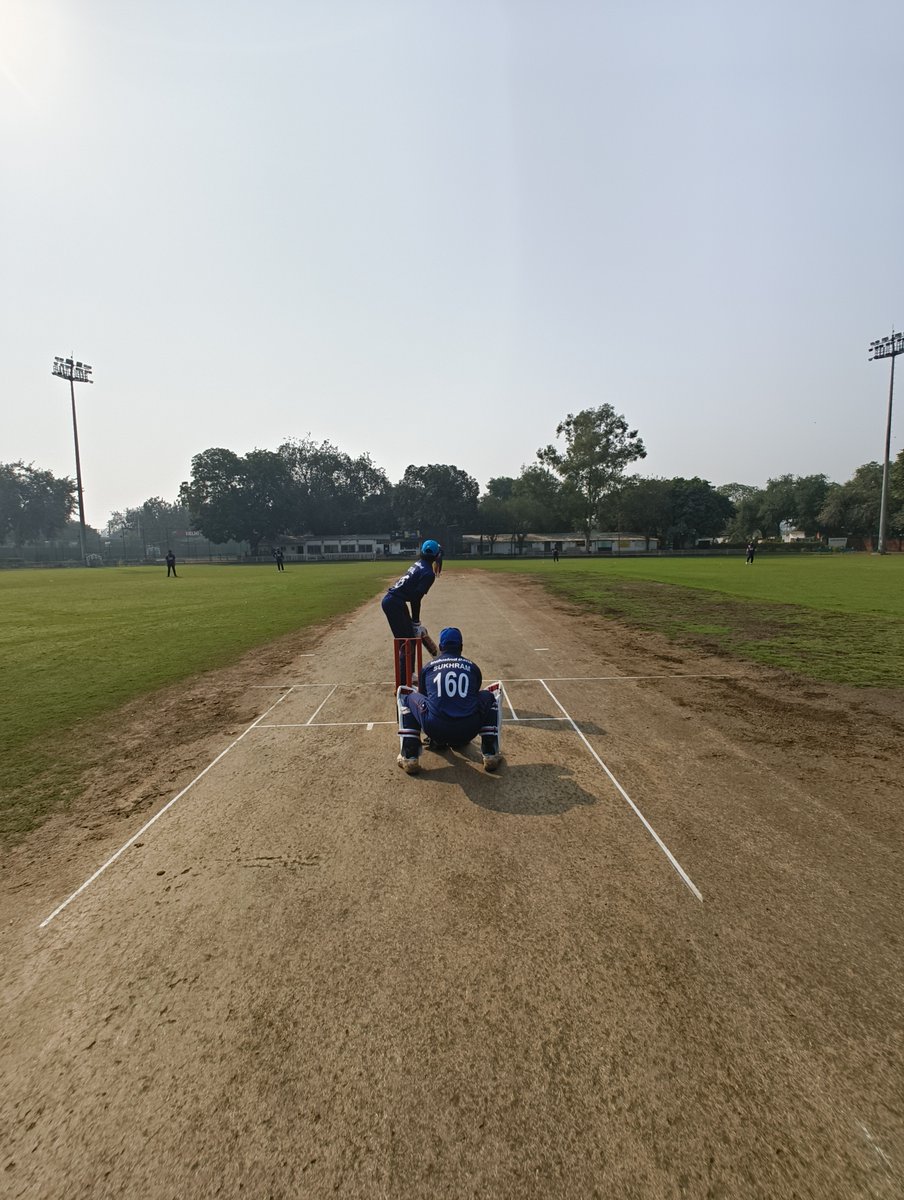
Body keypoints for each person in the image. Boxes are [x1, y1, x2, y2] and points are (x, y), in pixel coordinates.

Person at [396, 626, 502, 775]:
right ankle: (490, 754)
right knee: (490, 696)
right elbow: (473, 695)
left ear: (440, 647)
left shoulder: (428, 668)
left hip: (435, 729)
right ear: (461, 647)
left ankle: (410, 756)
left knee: (407, 696)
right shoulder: (473, 667)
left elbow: (425, 697)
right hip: (469, 729)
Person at [381, 539, 441, 645]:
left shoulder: (418, 563)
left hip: (394, 600)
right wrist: (416, 623)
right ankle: (405, 662)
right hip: (394, 603)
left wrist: (414, 623)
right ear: (436, 555)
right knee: (407, 643)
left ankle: (407, 661)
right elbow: (416, 598)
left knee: (409, 641)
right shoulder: (428, 573)